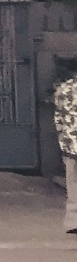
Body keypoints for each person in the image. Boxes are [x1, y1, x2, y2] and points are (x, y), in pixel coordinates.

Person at [55, 66, 77, 233]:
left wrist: (63, 142)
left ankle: (73, 221)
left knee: (73, 184)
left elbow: (58, 118)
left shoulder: (63, 89)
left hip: (70, 145)